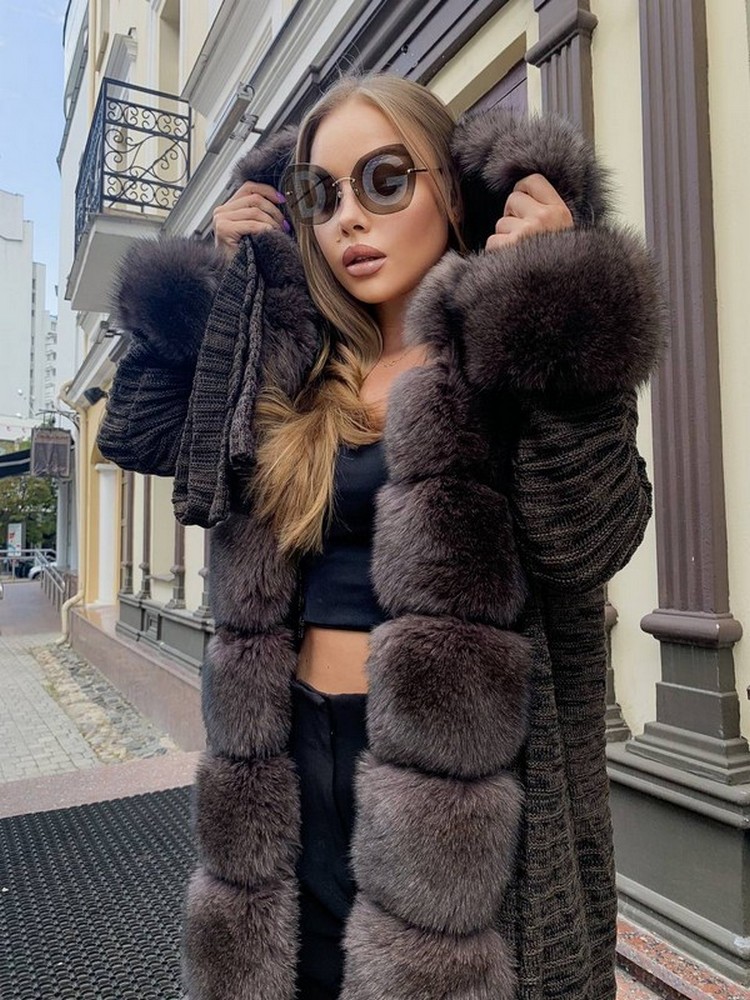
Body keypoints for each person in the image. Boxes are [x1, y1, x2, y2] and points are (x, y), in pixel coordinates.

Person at [98, 73, 664, 1000]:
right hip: (283, 759)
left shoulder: (502, 353)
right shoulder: (295, 367)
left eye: (384, 180)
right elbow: (140, 434)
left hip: (462, 789)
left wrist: (556, 291)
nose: (349, 219)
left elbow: (590, 538)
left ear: (453, 192)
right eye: (320, 195)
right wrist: (205, 286)